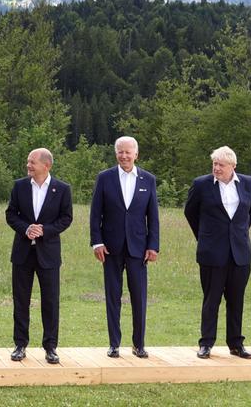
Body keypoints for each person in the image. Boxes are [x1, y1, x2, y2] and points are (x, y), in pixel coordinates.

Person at [89, 136, 159, 359]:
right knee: (113, 296)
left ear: (136, 154)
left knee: (139, 297)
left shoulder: (148, 179)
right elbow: (95, 213)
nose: (124, 156)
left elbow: (153, 217)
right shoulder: (105, 178)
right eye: (120, 152)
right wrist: (97, 242)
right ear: (115, 153)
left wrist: (153, 246)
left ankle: (139, 345)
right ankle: (114, 344)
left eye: (128, 152)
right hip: (110, 247)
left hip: (139, 248)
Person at [184, 146, 251, 360]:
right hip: (212, 252)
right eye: (214, 164)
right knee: (211, 299)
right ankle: (206, 343)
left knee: (236, 300)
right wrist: (205, 236)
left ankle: (236, 343)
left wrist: (237, 234)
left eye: (221, 165)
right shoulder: (201, 185)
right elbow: (190, 212)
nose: (216, 168)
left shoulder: (248, 183)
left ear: (233, 166)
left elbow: (250, 212)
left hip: (240, 252)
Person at [6, 148, 73, 364]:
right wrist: (26, 228)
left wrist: (45, 230)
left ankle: (50, 347)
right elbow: (10, 214)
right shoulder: (20, 186)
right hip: (22, 254)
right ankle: (20, 344)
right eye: (28, 161)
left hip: (49, 254)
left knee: (50, 301)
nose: (28, 165)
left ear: (46, 165)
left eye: (32, 162)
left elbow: (66, 218)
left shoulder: (62, 189)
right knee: (21, 301)